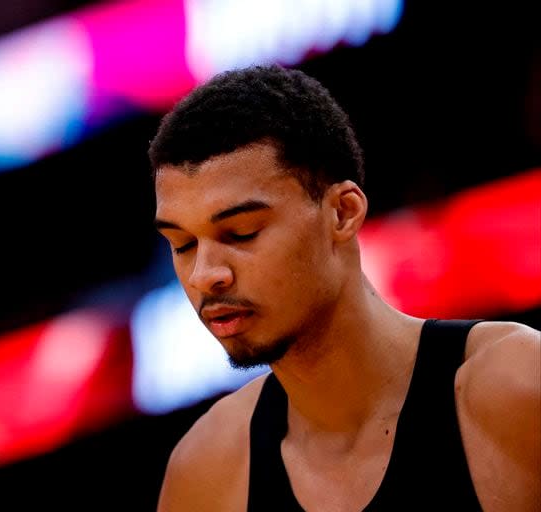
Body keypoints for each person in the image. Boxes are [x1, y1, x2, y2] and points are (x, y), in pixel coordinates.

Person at [147, 63, 540, 511]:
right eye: (181, 244)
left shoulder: (517, 386)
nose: (204, 275)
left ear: (342, 213)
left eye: (241, 233)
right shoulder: (206, 472)